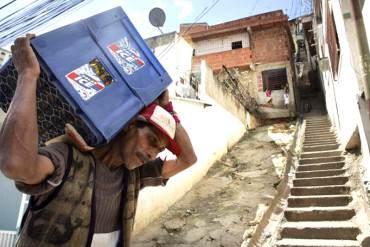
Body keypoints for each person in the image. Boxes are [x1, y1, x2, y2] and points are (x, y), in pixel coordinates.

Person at [0, 34, 197, 247]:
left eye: (159, 150)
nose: (152, 154)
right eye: (151, 140)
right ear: (131, 124)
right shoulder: (68, 158)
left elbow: (188, 159)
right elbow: (16, 165)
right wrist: (28, 74)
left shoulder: (133, 176)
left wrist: (168, 111)